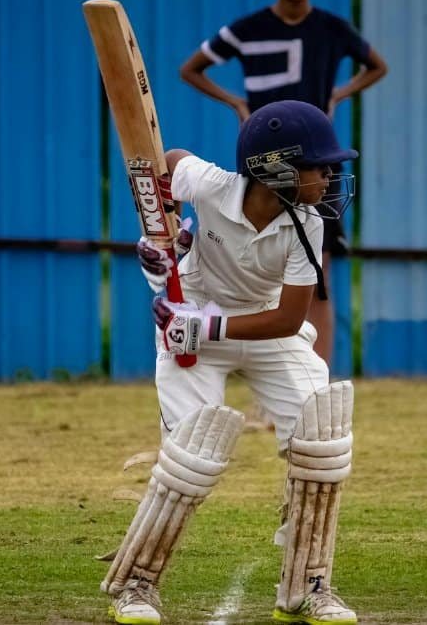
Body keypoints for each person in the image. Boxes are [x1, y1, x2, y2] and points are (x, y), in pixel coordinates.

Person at [102, 101, 359, 624]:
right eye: (319, 165)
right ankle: (136, 583)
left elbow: (289, 320)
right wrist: (165, 234)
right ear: (277, 168)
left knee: (322, 436)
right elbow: (170, 160)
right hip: (191, 321)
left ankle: (308, 586)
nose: (330, 175)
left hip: (260, 327)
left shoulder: (307, 222)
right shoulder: (216, 185)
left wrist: (209, 326)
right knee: (190, 455)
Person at [179, 0, 387, 365]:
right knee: (260, 277)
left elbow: (376, 66)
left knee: (317, 279)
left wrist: (338, 95)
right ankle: (267, 382)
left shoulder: (331, 28)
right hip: (267, 167)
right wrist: (236, 103)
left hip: (315, 168)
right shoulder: (248, 29)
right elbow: (192, 68)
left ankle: (316, 380)